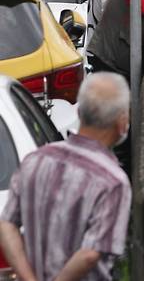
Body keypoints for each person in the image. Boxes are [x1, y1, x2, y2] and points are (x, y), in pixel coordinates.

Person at [0, 73, 132, 281]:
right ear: (122, 121)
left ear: (79, 112)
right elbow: (90, 253)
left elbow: (7, 224)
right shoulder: (113, 181)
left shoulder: (35, 161)